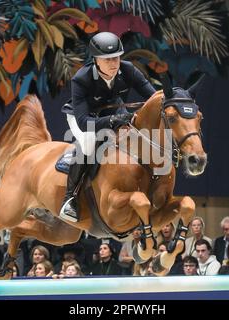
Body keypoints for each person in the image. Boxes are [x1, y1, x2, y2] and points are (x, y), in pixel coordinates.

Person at [59, 31, 156, 223]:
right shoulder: (81, 79)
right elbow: (83, 122)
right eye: (108, 59)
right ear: (96, 60)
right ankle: (70, 198)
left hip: (115, 114)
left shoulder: (128, 70)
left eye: (116, 58)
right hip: (85, 119)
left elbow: (152, 97)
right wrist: (112, 121)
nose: (114, 63)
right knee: (87, 143)